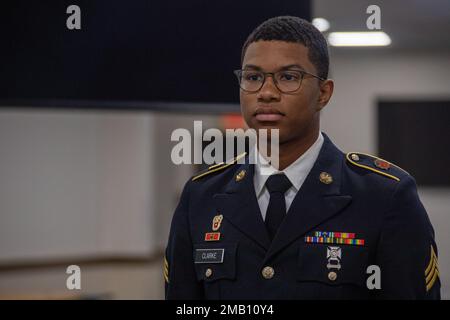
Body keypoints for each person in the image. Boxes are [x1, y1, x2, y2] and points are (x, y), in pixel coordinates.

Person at [164, 16, 440, 299]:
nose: (267, 93)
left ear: (323, 93)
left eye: (288, 77)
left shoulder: (384, 196)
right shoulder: (201, 197)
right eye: (253, 77)